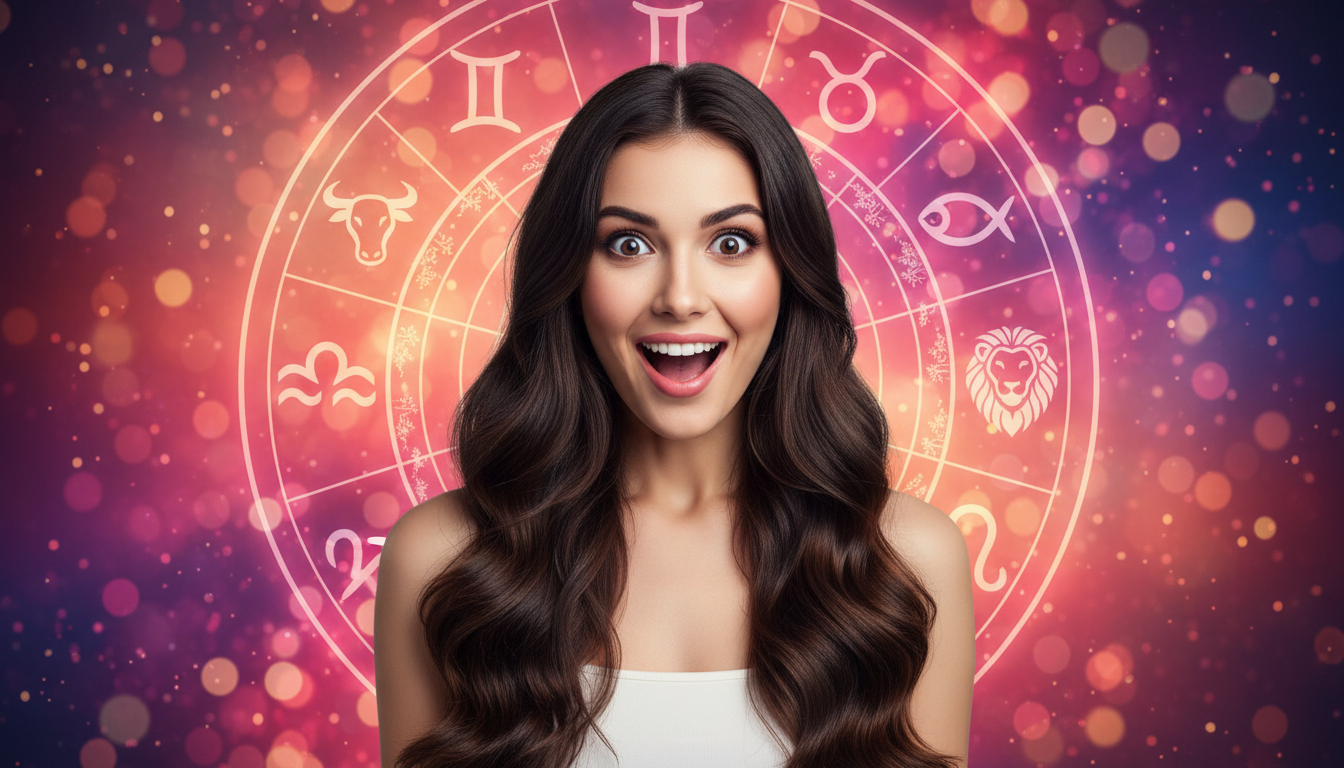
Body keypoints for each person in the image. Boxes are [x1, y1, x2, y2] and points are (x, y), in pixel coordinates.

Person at [374, 62, 973, 768]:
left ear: (789, 271)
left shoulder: (906, 562)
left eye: (731, 243)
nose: (680, 297)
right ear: (569, 275)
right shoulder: (444, 560)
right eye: (629, 244)